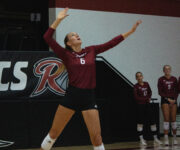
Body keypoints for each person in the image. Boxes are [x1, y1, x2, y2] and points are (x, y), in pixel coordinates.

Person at [40, 8, 142, 150]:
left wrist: (130, 31)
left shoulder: (91, 50)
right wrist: (58, 20)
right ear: (69, 43)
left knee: (96, 137)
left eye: (77, 34)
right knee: (53, 134)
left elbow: (111, 43)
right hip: (72, 96)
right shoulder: (65, 54)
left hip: (89, 97)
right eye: (73, 35)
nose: (77, 36)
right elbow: (47, 38)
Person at [134, 72, 162, 146]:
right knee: (140, 122)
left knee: (152, 121)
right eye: (138, 76)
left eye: (140, 76)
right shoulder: (136, 86)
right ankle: (141, 139)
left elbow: (150, 92)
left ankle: (155, 138)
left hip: (147, 105)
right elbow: (136, 97)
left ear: (142, 77)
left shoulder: (146, 84)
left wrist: (148, 98)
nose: (139, 77)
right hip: (140, 106)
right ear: (136, 78)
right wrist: (145, 99)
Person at [158, 65, 178, 146]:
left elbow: (177, 90)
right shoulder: (161, 79)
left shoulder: (174, 79)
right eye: (166, 69)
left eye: (169, 69)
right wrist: (167, 99)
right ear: (163, 70)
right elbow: (160, 92)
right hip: (165, 100)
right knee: (166, 119)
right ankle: (166, 138)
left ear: (171, 70)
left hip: (173, 100)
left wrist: (174, 99)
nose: (167, 70)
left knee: (173, 119)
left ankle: (175, 137)